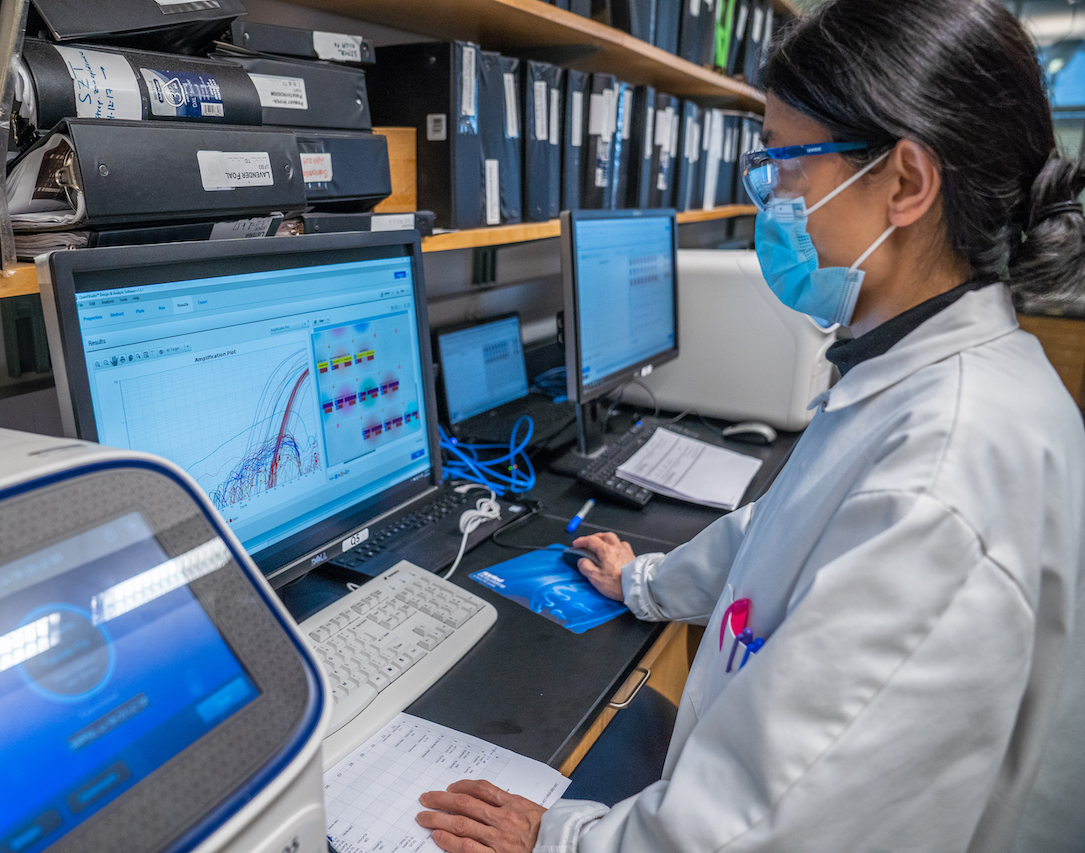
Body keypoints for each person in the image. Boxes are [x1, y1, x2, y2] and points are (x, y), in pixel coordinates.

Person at [413, 0, 1085, 850]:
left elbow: (768, 826)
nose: (769, 197)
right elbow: (781, 534)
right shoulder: (905, 373)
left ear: (906, 183)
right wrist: (646, 582)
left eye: (784, 164)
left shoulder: (941, 478)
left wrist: (559, 839)